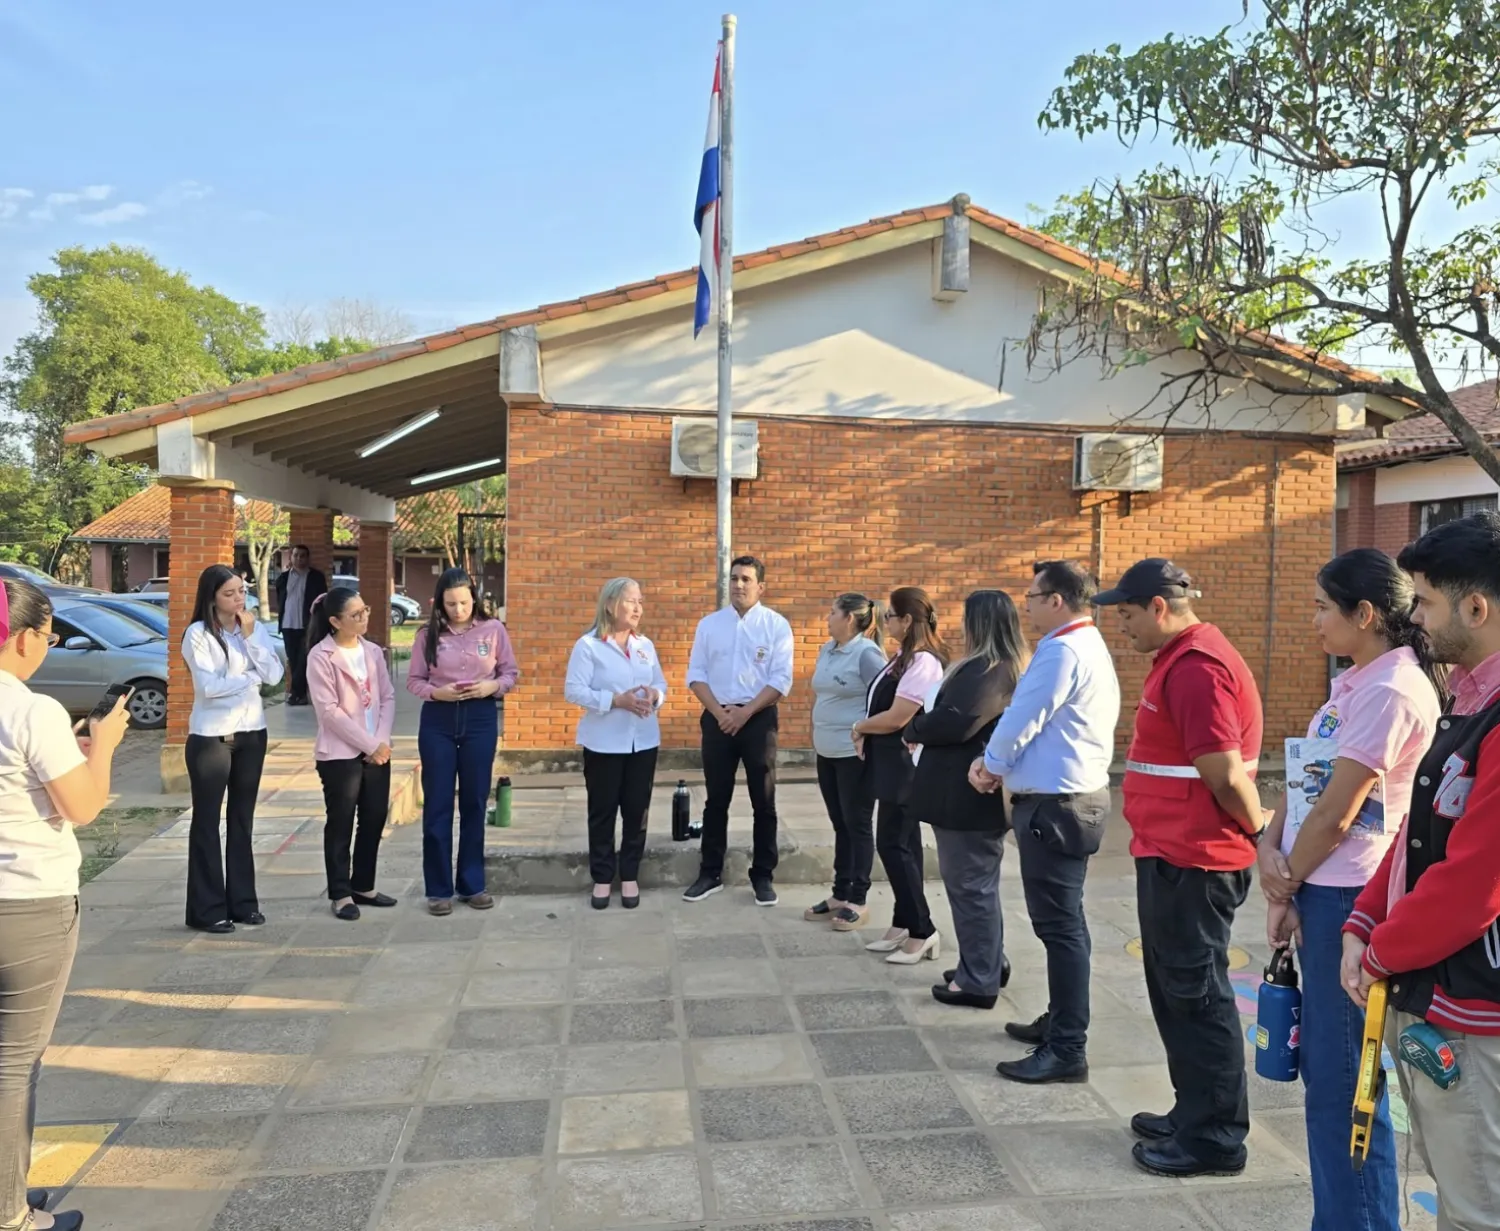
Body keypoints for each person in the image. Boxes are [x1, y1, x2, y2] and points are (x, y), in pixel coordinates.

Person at [1253, 549, 1442, 1231]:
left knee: (1344, 1086)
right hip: (1320, 889)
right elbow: (1310, 784)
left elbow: (1338, 810)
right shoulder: (1357, 681)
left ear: (1365, 615)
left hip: (1352, 897)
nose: (1312, 621)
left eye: (1320, 608)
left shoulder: (1393, 691)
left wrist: (1288, 876)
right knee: (1331, 1081)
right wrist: (1270, 849)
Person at [1342, 513, 1500, 1230]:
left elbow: (1473, 885)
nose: (1415, 617)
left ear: (1477, 607)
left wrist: (1379, 951)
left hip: (1477, 1011)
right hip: (1440, 993)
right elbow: (1417, 833)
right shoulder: (1470, 699)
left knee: (1475, 1203)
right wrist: (1365, 919)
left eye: (1427, 601)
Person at [1094, 558, 1267, 1179]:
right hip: (1169, 852)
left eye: (1128, 614)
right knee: (1175, 992)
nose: (1124, 627)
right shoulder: (1178, 660)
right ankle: (1193, 1110)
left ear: (1159, 608)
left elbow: (1222, 770)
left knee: (1197, 996)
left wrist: (1259, 832)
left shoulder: (1197, 669)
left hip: (1196, 860)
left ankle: (1216, 1137)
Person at [1, 579, 127, 1231]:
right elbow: (82, 804)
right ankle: (9, 1213)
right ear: (23, 637)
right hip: (27, 903)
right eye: (48, 637)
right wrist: (102, 746)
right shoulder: (29, 710)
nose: (47, 650)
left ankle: (11, 1187)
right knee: (15, 1060)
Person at [971, 560, 1121, 1084]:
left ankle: (1067, 1046)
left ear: (1057, 600)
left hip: (1059, 806)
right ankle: (1061, 1020)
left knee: (1060, 927)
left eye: (1032, 596)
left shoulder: (1062, 648)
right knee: (1062, 924)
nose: (1027, 605)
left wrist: (990, 766)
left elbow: (1022, 717)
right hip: (1070, 799)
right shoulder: (1086, 644)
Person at [905, 591, 1026, 990]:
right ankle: (985, 962)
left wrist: (915, 727)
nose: (960, 626)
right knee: (973, 887)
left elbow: (956, 722)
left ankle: (978, 980)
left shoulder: (990, 670)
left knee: (970, 888)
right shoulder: (992, 667)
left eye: (966, 618)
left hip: (967, 798)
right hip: (964, 795)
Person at [682, 556, 795, 907]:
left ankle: (762, 875)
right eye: (733, 578)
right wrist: (720, 713)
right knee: (716, 799)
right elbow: (695, 675)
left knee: (764, 800)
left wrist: (745, 713)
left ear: (761, 586)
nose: (738, 585)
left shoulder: (776, 626)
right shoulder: (710, 625)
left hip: (758, 719)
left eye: (746, 579)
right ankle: (710, 872)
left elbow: (780, 680)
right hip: (717, 719)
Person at [407, 567, 518, 916]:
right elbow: (414, 681)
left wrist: (492, 687)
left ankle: (472, 884)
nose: (459, 610)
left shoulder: (494, 630)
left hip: (480, 717)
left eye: (465, 602)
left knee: (473, 802)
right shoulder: (427, 635)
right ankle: (438, 889)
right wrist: (435, 692)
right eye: (451, 603)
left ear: (475, 598)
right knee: (438, 804)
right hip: (438, 720)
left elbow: (510, 673)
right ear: (439, 602)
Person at [183, 564, 285, 934]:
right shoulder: (197, 634)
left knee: (242, 821)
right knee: (207, 823)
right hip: (211, 738)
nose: (239, 599)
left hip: (251, 735)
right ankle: (207, 910)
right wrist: (248, 677)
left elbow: (274, 676)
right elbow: (209, 687)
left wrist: (253, 638)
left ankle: (243, 904)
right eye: (230, 593)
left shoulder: (251, 630)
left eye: (242, 591)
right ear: (212, 597)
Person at [853, 587, 949, 963]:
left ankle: (922, 928)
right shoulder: (903, 658)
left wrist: (860, 726)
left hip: (904, 769)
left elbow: (898, 716)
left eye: (891, 616)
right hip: (889, 765)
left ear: (908, 621)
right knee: (900, 845)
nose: (887, 622)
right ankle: (905, 921)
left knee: (895, 845)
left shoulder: (924, 663)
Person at [564, 578, 668, 910]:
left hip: (643, 740)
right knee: (603, 811)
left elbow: (661, 683)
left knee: (637, 810)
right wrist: (615, 700)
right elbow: (574, 690)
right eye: (630, 601)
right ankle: (602, 877)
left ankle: (630, 875)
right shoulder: (588, 646)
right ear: (610, 605)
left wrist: (655, 695)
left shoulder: (645, 645)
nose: (638, 607)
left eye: (641, 601)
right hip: (604, 743)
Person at [305, 587, 399, 922]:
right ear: (334, 621)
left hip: (378, 751)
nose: (364, 618)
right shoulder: (321, 656)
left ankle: (364, 885)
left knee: (374, 819)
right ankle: (341, 892)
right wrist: (369, 744)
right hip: (340, 755)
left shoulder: (372, 651)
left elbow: (387, 697)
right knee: (341, 821)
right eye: (355, 614)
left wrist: (382, 741)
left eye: (365, 610)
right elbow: (329, 712)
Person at [806, 594, 887, 929]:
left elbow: (885, 700)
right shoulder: (828, 649)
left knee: (857, 824)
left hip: (852, 756)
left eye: (832, 611)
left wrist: (865, 734)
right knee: (840, 824)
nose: (827, 617)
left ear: (850, 619)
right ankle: (840, 892)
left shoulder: (867, 654)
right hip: (826, 753)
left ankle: (858, 898)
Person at [274, 544, 328, 706]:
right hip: (288, 624)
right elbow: (280, 600)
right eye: (296, 555)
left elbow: (321, 601)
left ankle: (296, 693)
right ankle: (300, 694)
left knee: (304, 659)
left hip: (308, 625)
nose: (299, 559)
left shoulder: (316, 577)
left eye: (302, 555)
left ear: (308, 558)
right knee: (293, 659)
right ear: (291, 557)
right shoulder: (283, 578)